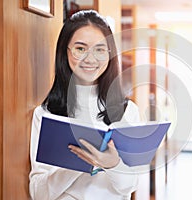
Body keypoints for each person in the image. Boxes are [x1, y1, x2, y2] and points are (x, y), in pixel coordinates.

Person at [29, 10, 140, 200]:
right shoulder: (46, 113)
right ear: (65, 51)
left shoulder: (127, 111)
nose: (90, 59)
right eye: (80, 49)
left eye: (99, 49)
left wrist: (113, 164)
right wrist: (78, 162)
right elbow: (38, 194)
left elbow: (129, 187)